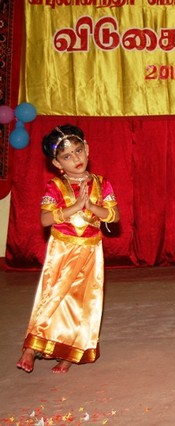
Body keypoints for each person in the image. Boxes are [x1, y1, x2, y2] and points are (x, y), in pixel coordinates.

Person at [16, 124, 119, 373]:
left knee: (82, 303)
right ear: (57, 163)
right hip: (62, 250)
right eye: (67, 156)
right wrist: (75, 207)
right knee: (53, 295)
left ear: (87, 149)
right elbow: (45, 219)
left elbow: (114, 216)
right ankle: (31, 347)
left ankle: (70, 354)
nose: (76, 158)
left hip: (91, 251)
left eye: (78, 150)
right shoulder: (55, 186)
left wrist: (91, 207)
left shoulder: (102, 183)